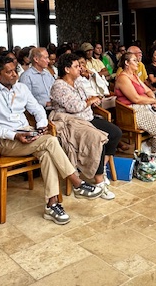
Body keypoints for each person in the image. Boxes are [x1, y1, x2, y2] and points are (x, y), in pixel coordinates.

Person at [0, 56, 102, 226]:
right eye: (9, 72)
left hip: (27, 134)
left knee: (46, 153)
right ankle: (77, 182)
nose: (14, 74)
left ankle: (52, 205)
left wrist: (42, 125)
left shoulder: (21, 88)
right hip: (5, 140)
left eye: (15, 70)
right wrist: (14, 135)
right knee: (50, 142)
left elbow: (37, 109)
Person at [50, 53, 122, 199]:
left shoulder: (78, 82)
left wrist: (92, 100)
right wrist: (90, 101)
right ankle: (99, 182)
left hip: (87, 118)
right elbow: (75, 107)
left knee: (115, 133)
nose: (80, 68)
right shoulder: (58, 86)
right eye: (76, 66)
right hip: (73, 123)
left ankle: (99, 166)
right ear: (67, 69)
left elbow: (86, 99)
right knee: (97, 138)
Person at [114, 52, 156, 158]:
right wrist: (153, 101)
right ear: (126, 63)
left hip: (146, 107)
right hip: (133, 112)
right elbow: (136, 98)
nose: (138, 62)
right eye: (134, 60)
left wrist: (154, 101)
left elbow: (148, 91)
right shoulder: (123, 78)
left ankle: (149, 148)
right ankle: (154, 155)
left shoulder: (134, 76)